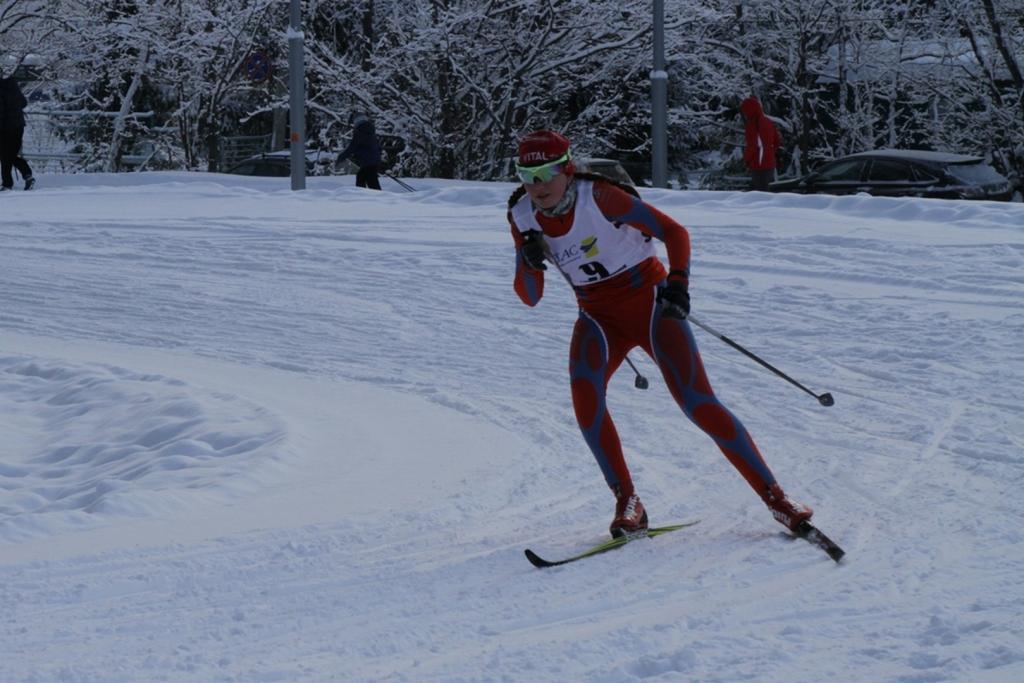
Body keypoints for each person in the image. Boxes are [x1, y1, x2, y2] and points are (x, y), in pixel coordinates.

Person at [507, 129, 813, 538]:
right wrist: (528, 260)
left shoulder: (598, 197)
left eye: (545, 173)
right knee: (586, 400)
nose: (536, 186)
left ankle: (776, 498)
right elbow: (530, 298)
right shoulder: (522, 216)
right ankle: (628, 500)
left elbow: (675, 232)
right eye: (526, 175)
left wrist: (679, 283)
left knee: (697, 403)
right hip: (598, 317)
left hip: (651, 305)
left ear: (566, 169)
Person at [0, 75, 34, 191]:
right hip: (18, 126)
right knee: (9, 155)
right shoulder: (13, 86)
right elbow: (24, 103)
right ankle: (27, 175)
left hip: (5, 128)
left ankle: (7, 184)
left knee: (5, 156)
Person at [740, 96, 781, 191]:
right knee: (768, 192)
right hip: (770, 162)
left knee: (759, 196)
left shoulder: (752, 124)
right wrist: (769, 152)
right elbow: (777, 141)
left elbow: (753, 146)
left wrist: (746, 160)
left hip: (758, 164)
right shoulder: (768, 121)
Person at [337, 113, 382, 190]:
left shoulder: (360, 132)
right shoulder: (370, 131)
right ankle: (362, 195)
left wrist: (341, 157)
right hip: (373, 160)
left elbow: (352, 147)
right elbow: (373, 147)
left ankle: (377, 198)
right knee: (363, 178)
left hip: (368, 161)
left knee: (370, 181)